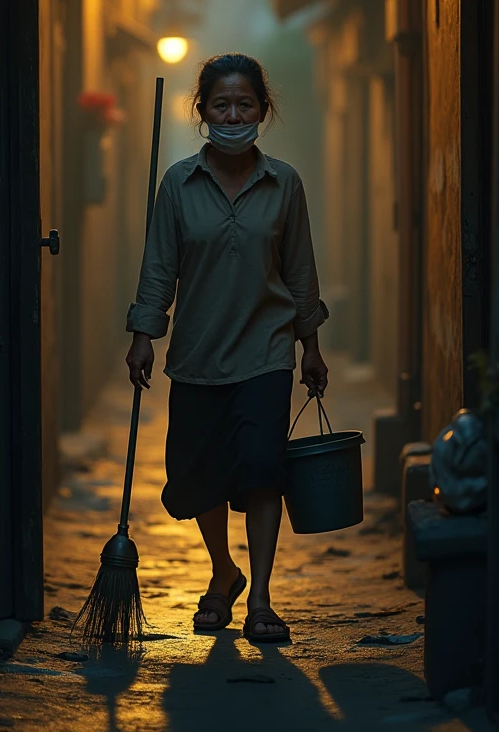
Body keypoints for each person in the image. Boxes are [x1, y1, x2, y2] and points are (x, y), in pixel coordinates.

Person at [125, 53, 328, 644]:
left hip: (266, 352)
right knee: (198, 478)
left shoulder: (284, 182)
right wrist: (144, 334)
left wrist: (310, 346)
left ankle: (261, 598)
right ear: (202, 111)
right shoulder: (179, 184)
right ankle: (223, 573)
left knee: (264, 468)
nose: (233, 115)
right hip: (196, 353)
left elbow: (301, 271)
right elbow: (159, 267)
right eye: (221, 105)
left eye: (245, 104)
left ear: (263, 111)